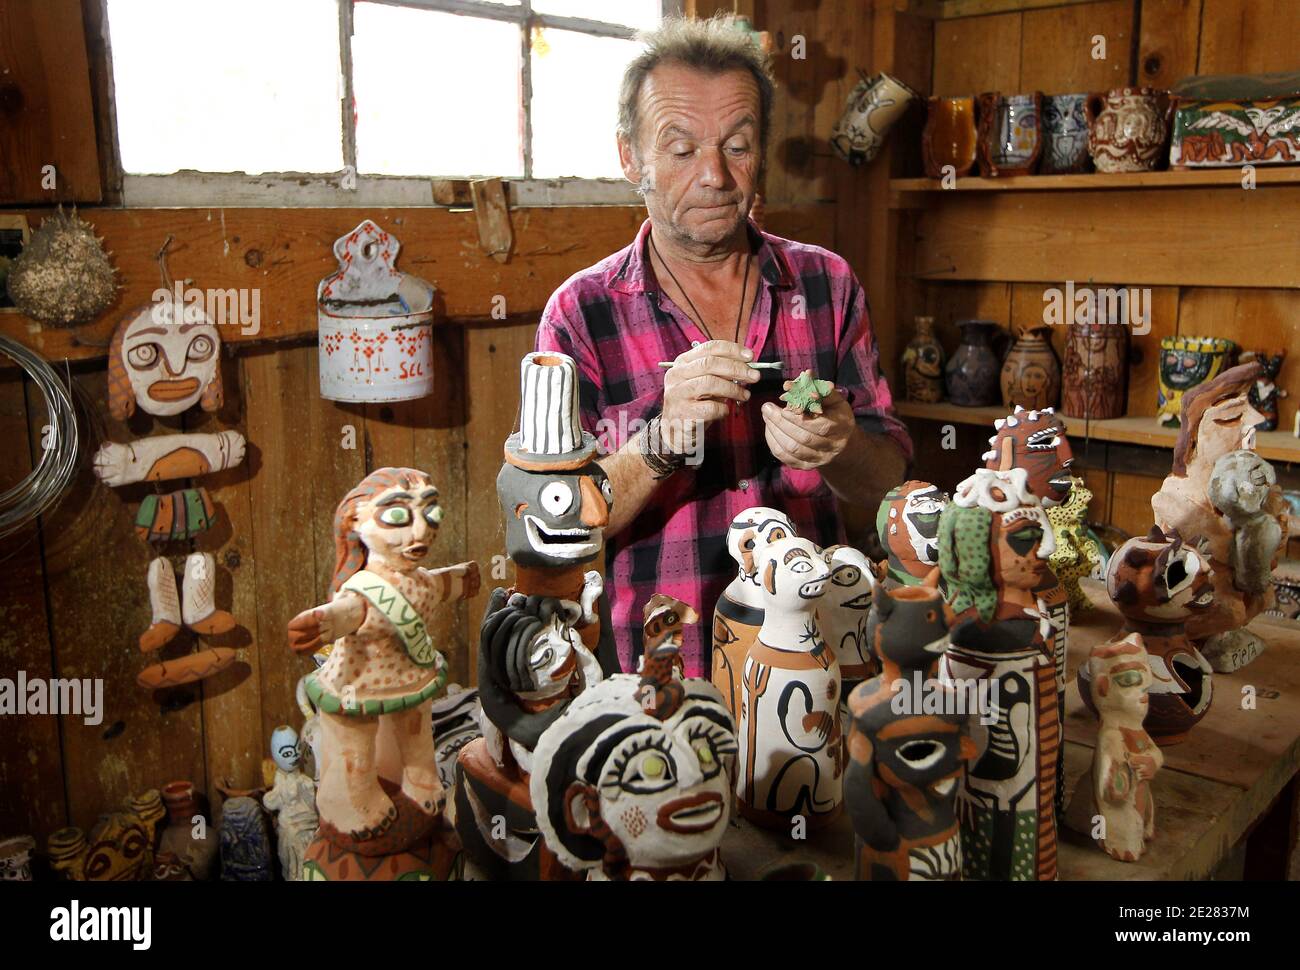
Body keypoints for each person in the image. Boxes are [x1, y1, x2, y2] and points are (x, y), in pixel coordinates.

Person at [535, 15, 911, 677]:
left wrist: (841, 446)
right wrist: (661, 437)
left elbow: (885, 480)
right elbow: (562, 524)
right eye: (681, 149)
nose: (714, 175)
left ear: (761, 150)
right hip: (666, 670)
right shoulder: (581, 314)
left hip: (821, 656)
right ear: (630, 158)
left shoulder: (825, 283)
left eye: (737, 145)